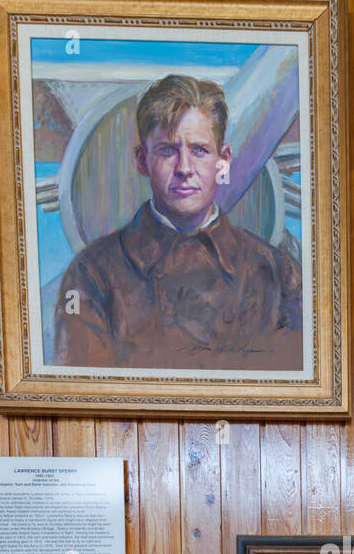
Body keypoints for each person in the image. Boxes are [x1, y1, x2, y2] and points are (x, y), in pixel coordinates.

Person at [53, 74, 303, 371]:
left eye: (199, 150)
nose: (184, 168)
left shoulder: (279, 274)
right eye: (168, 150)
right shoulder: (92, 275)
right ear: (142, 160)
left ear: (222, 162)